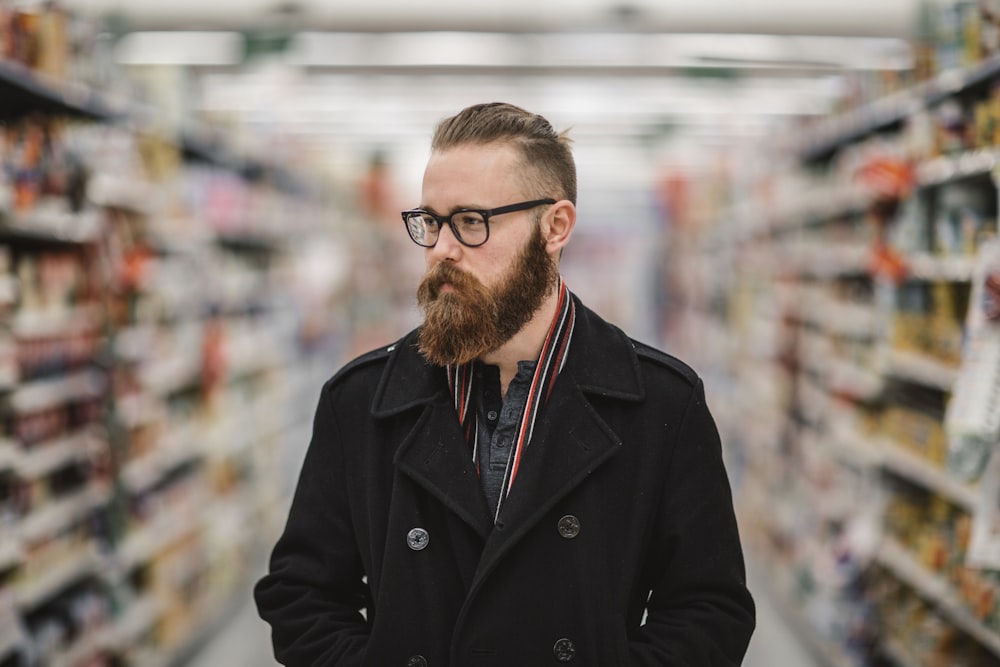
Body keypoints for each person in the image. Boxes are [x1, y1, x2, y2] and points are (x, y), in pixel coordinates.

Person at [254, 102, 755, 666]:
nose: (441, 248)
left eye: (471, 222)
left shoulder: (662, 404)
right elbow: (301, 597)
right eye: (431, 221)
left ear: (555, 227)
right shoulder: (361, 401)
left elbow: (709, 613)